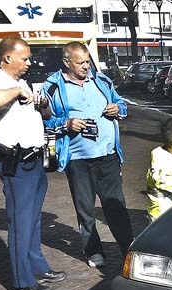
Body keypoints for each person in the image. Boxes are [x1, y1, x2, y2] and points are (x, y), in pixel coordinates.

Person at [0, 37, 65, 290]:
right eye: (24, 58)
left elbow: (45, 114)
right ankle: (23, 280)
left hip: (35, 159)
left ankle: (37, 265)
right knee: (20, 221)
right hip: (16, 162)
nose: (29, 62)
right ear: (7, 58)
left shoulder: (20, 82)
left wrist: (42, 103)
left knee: (33, 218)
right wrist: (17, 92)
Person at [43, 41, 134, 269]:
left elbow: (121, 104)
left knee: (116, 206)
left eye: (88, 61)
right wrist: (67, 123)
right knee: (85, 208)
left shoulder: (101, 80)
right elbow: (45, 123)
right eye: (80, 63)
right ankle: (93, 251)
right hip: (78, 158)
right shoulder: (52, 87)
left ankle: (127, 249)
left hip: (107, 154)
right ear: (66, 62)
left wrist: (118, 109)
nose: (86, 67)